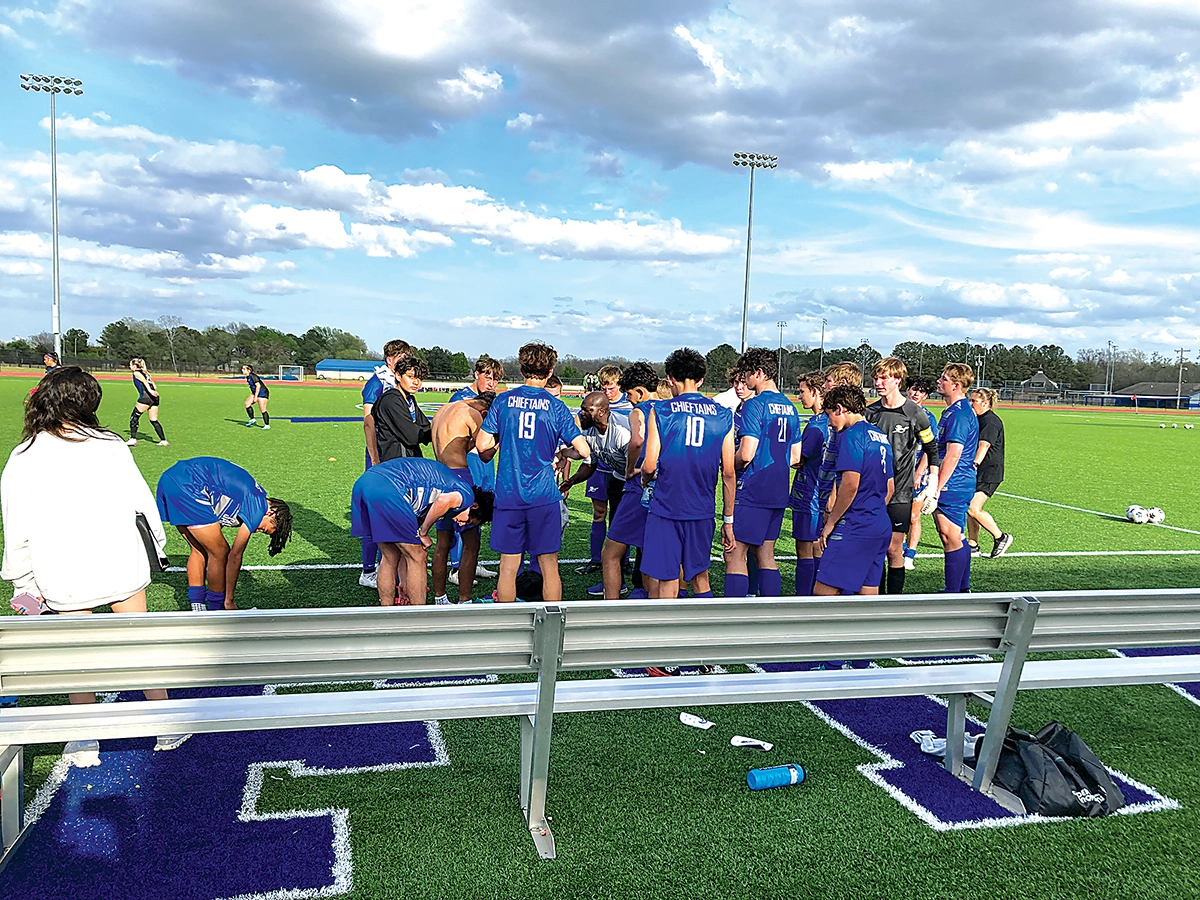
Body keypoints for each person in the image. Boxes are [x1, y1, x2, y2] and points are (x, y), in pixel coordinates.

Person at [1, 366, 189, 765]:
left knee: (77, 655)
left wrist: (20, 579)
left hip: (64, 568)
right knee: (138, 646)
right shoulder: (110, 444)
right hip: (121, 560)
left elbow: (16, 523)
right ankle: (165, 723)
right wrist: (158, 543)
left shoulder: (27, 454)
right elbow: (142, 501)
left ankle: (85, 739)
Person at [476, 342, 590, 603]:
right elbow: (583, 450)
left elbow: (482, 444)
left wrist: (502, 440)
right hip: (543, 496)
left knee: (508, 567)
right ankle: (552, 627)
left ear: (522, 367)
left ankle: (508, 628)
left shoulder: (503, 401)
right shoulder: (556, 406)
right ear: (550, 371)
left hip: (509, 494)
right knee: (549, 566)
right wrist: (563, 454)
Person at [640, 347, 736, 607]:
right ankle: (707, 637)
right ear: (701, 379)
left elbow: (649, 465)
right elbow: (728, 472)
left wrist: (645, 481)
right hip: (702, 509)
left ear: (670, 378)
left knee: (667, 579)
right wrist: (728, 520)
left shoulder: (660, 411)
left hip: (666, 508)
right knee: (700, 577)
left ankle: (665, 640)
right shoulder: (723, 415)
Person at [351, 457, 493, 606]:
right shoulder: (466, 495)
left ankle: (387, 610)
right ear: (475, 506)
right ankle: (419, 616)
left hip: (366, 482)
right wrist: (423, 532)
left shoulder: (435, 494)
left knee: (391, 555)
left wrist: (405, 585)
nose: (461, 524)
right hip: (389, 488)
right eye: (468, 520)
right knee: (418, 555)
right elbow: (443, 501)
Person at [156, 457, 292, 611]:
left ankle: (198, 607)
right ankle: (217, 609)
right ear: (271, 513)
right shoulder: (258, 505)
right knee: (220, 551)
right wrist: (229, 600)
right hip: (189, 484)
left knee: (199, 549)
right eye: (264, 529)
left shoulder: (248, 499)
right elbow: (235, 556)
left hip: (170, 479)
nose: (256, 530)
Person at [725, 347, 801, 598]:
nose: (744, 379)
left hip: (753, 489)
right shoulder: (790, 407)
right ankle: (770, 616)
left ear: (759, 373)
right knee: (766, 554)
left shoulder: (755, 404)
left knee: (735, 553)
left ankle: (733, 619)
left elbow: (746, 454)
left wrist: (726, 462)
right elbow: (795, 456)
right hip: (778, 488)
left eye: (747, 373)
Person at [865, 358, 940, 594]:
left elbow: (932, 449)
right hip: (871, 491)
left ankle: (893, 601)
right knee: (874, 546)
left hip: (900, 492)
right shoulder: (870, 412)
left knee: (893, 549)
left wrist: (932, 485)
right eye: (876, 377)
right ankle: (873, 597)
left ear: (897, 380)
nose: (878, 382)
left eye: (883, 378)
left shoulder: (915, 413)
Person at [814, 385, 895, 596]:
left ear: (840, 409)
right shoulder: (880, 436)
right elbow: (890, 488)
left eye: (829, 415)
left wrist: (830, 523)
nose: (830, 423)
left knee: (823, 592)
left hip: (855, 524)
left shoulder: (851, 436)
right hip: (879, 523)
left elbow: (850, 485)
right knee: (868, 593)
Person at [556, 392, 632, 597]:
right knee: (616, 532)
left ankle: (642, 586)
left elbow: (639, 468)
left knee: (640, 536)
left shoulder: (622, 432)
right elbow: (591, 463)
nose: (581, 413)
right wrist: (572, 480)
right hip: (618, 479)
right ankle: (617, 583)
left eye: (587, 409)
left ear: (602, 411)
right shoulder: (589, 432)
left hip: (637, 484)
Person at [596, 362, 660, 600]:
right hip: (663, 488)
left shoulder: (640, 411)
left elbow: (637, 440)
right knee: (652, 553)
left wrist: (630, 467)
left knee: (611, 553)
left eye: (631, 394)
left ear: (641, 392)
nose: (630, 399)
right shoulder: (667, 409)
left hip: (639, 487)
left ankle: (610, 608)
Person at [430, 391, 497, 604]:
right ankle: (464, 600)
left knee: (442, 543)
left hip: (439, 476)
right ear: (485, 411)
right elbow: (484, 452)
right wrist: (498, 439)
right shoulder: (472, 414)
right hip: (460, 477)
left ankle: (439, 598)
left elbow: (460, 445)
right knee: (471, 543)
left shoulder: (443, 409)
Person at [359, 338, 411, 587]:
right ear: (391, 359)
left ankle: (385, 567)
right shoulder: (376, 384)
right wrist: (375, 459)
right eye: (402, 358)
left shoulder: (400, 383)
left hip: (397, 457)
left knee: (392, 514)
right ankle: (368, 571)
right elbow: (369, 423)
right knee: (374, 515)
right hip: (381, 458)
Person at [577, 365, 631, 576]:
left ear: (619, 386)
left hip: (623, 469)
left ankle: (623, 560)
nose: (607, 391)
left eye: (611, 387)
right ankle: (596, 559)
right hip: (600, 465)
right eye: (604, 387)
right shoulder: (593, 404)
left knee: (621, 516)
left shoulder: (629, 407)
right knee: (599, 513)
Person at [931, 364, 979, 593]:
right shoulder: (953, 410)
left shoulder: (959, 413)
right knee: (953, 535)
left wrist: (937, 487)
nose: (939, 381)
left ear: (956, 385)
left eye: (944, 379)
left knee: (950, 536)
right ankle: (961, 588)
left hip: (955, 482)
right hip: (956, 480)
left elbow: (953, 454)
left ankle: (954, 592)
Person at [789, 371, 829, 595]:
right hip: (821, 495)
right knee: (818, 547)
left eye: (802, 391)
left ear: (815, 392)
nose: (799, 396)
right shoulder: (829, 422)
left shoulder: (816, 426)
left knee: (805, 548)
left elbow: (797, 459)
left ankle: (803, 597)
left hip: (809, 494)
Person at [968, 388, 1013, 558]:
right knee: (970, 507)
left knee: (973, 508)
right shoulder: (978, 419)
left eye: (974, 401)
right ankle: (973, 545)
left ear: (985, 403)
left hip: (989, 471)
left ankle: (1000, 537)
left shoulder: (990, 421)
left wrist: (974, 464)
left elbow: (984, 445)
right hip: (980, 471)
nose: (971, 404)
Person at [902, 376, 939, 570]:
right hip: (895, 473)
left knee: (913, 517)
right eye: (914, 389)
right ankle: (894, 548)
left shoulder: (927, 417)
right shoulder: (897, 411)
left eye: (921, 391)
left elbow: (930, 448)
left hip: (916, 473)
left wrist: (919, 472)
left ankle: (910, 555)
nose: (916, 393)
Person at [373, 355, 432, 461]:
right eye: (410, 377)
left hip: (411, 461)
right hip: (397, 465)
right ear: (398, 376)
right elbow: (412, 437)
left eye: (419, 378)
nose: (416, 382)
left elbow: (427, 429)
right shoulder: (391, 401)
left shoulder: (410, 400)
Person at [127, 358, 168, 447]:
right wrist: (153, 391)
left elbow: (145, 383)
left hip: (146, 398)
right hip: (155, 398)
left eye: (130, 365)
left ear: (134, 366)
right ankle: (163, 440)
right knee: (154, 420)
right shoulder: (146, 373)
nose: (130, 367)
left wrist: (150, 391)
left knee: (134, 417)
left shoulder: (136, 373)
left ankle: (133, 439)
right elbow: (154, 385)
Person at [242, 364, 271, 429]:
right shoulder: (248, 377)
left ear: (249, 370)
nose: (242, 370)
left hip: (262, 393)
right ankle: (252, 419)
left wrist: (256, 397)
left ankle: (267, 425)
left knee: (262, 409)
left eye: (244, 369)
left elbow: (258, 386)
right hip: (255, 393)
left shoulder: (253, 376)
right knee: (247, 404)